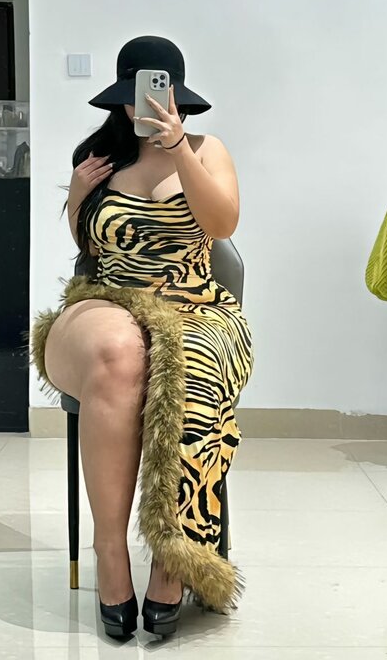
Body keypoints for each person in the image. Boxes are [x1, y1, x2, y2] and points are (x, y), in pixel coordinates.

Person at [29, 35, 253, 640]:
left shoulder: (206, 149)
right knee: (119, 351)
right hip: (107, 299)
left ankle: (173, 555)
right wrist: (78, 193)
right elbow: (89, 247)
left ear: (176, 96)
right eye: (134, 95)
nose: (144, 106)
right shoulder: (100, 155)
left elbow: (223, 224)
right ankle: (109, 551)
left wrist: (178, 148)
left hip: (196, 304)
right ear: (121, 99)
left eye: (155, 94)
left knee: (192, 362)